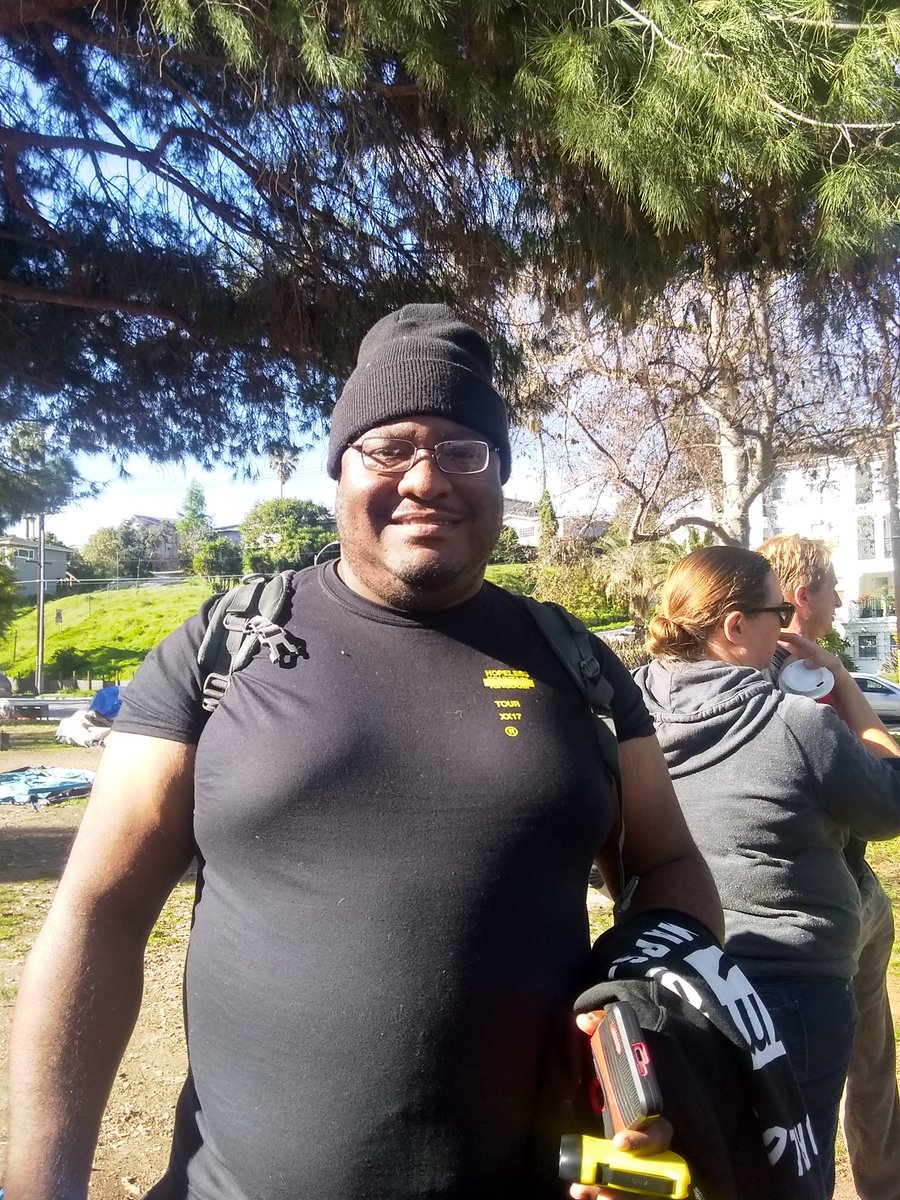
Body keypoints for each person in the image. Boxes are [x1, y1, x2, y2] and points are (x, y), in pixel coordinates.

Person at [4, 304, 722, 1200]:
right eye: (388, 448)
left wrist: (655, 1023)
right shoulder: (221, 650)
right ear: (340, 470)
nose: (426, 479)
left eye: (464, 450)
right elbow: (99, 913)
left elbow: (668, 862)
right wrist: (42, 1184)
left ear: (499, 475)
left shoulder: (577, 665)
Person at [633, 545, 900, 1198]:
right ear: (734, 626)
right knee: (791, 1179)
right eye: (777, 614)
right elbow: (891, 806)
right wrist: (840, 681)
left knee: (714, 1168)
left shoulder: (625, 716)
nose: (785, 627)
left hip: (673, 986)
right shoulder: (798, 724)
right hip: (793, 993)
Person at [759, 534, 900, 1200]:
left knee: (867, 1059)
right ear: (802, 596)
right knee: (849, 1064)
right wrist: (841, 680)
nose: (842, 600)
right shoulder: (795, 687)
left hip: (850, 889)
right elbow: (886, 789)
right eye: (834, 587)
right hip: (822, 907)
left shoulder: (775, 672)